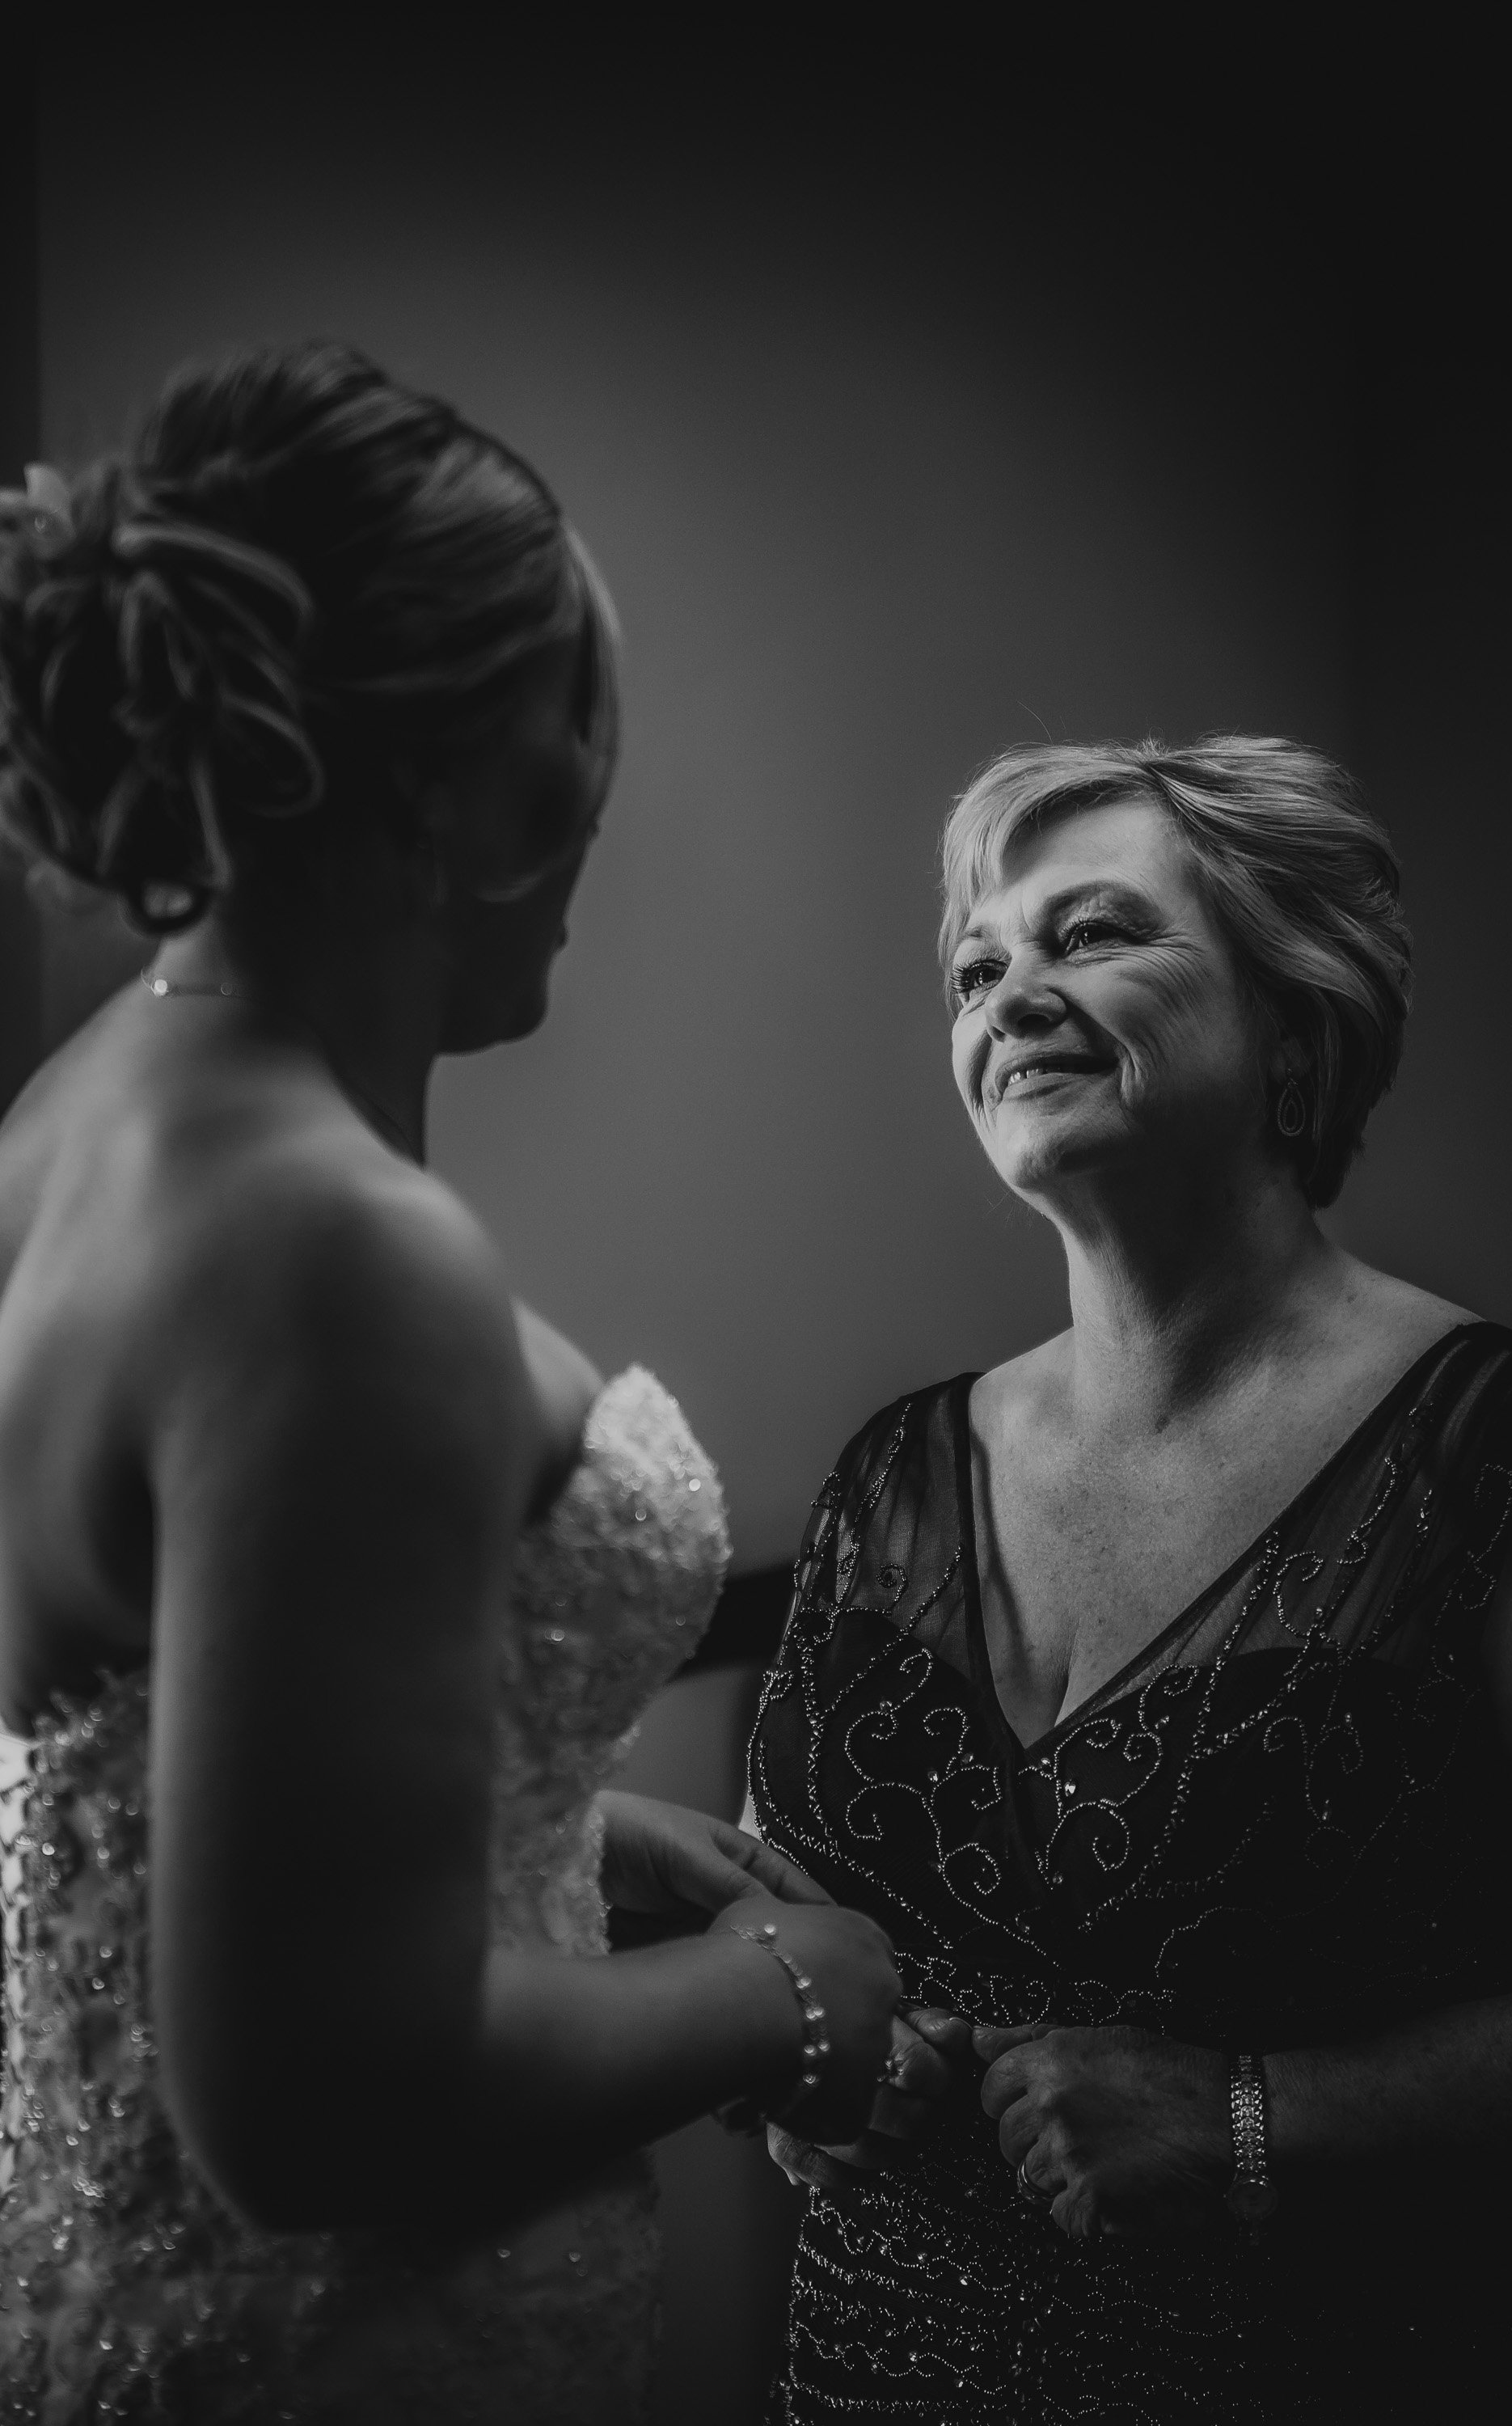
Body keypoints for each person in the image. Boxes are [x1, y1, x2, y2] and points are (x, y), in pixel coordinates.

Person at [0, 342, 903, 2424]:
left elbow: (138, 1755)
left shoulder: (85, 1121)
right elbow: (319, 2101)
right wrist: (779, 1993)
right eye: (583, 745)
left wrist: (548, 1829)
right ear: (475, 780)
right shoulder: (344, 1248)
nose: (593, 821)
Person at [747, 736, 1512, 2422]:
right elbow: (793, 1913)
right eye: (977, 965)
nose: (1011, 994)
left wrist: (1248, 2114)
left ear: (1294, 1027)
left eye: (1089, 937)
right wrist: (805, 2065)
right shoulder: (892, 1476)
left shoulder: (1511, 1458)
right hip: (875, 2374)